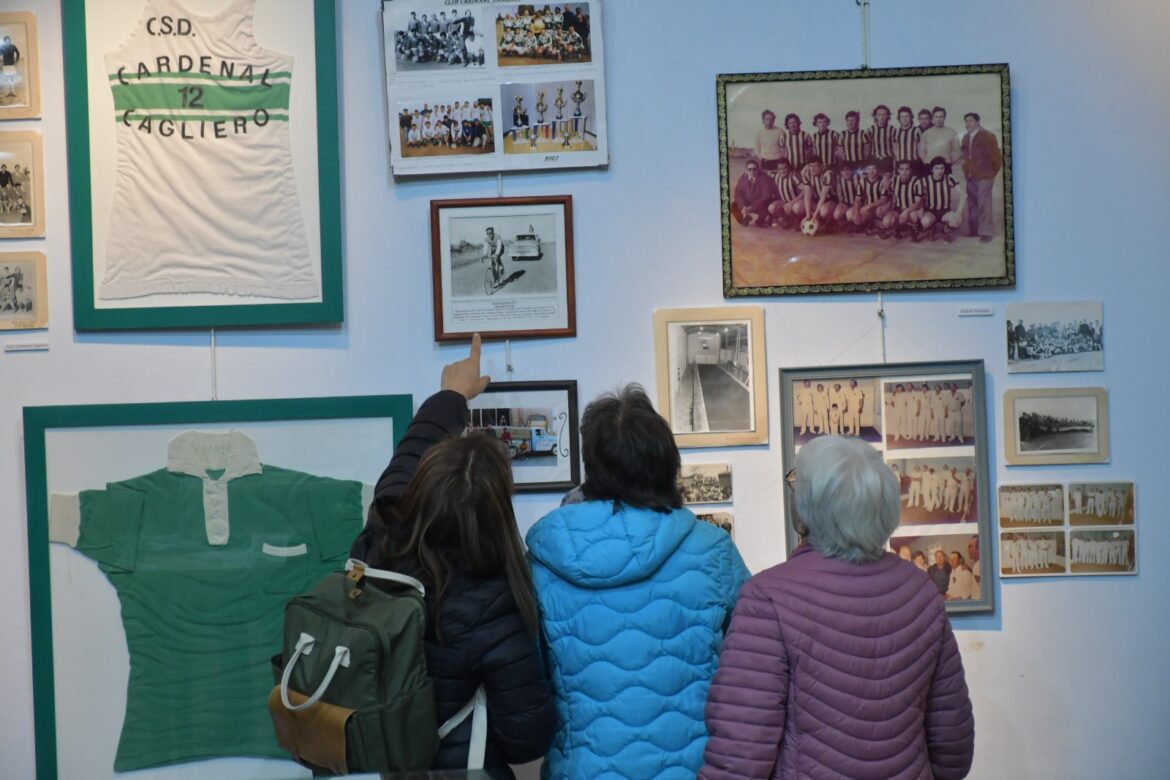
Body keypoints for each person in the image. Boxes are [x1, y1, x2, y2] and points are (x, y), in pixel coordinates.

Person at [700, 436, 974, 779]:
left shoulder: (768, 598)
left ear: (806, 507)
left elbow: (741, 751)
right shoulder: (921, 592)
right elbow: (953, 747)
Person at [349, 336, 557, 778]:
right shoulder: (495, 602)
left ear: (422, 485)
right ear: (497, 513)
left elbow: (408, 456)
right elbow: (526, 739)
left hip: (394, 764)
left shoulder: (379, 538)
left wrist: (450, 397)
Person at [527, 385, 750, 778]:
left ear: (592, 466)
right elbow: (750, 670)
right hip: (692, 768)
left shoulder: (545, 559)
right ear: (666, 461)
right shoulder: (713, 551)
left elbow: (532, 679)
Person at [961, 112, 1002, 243]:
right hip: (970, 176)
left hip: (984, 176)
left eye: (971, 121)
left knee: (984, 204)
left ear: (978, 122)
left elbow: (997, 158)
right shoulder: (966, 137)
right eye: (966, 121)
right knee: (972, 204)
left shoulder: (988, 136)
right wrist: (966, 171)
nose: (968, 124)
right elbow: (966, 157)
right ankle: (974, 230)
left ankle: (986, 232)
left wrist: (990, 174)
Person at [732, 159, 779, 226]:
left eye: (754, 169)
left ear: (758, 169)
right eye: (749, 169)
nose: (752, 171)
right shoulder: (742, 179)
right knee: (732, 206)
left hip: (761, 204)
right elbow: (738, 194)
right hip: (748, 203)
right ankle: (745, 218)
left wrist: (752, 207)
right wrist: (743, 206)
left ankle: (763, 218)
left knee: (760, 223)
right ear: (746, 170)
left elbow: (766, 196)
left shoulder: (764, 179)